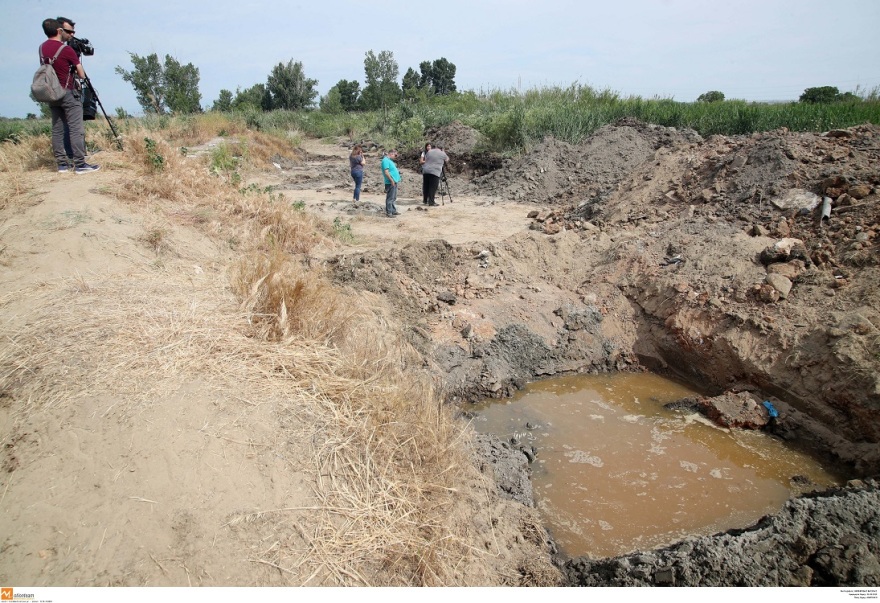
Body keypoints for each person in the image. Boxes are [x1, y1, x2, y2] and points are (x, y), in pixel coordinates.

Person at [39, 18, 98, 174]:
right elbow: (81, 73)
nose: (70, 34)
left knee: (57, 129)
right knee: (75, 128)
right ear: (59, 31)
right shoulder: (66, 50)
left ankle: (62, 164)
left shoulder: (42, 48)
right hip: (68, 92)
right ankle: (80, 164)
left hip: (52, 93)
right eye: (68, 31)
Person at [381, 149, 401, 218]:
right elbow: (386, 172)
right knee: (390, 198)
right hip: (390, 182)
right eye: (395, 155)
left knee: (393, 197)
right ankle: (389, 212)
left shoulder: (389, 161)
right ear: (391, 154)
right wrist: (391, 180)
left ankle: (393, 210)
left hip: (394, 181)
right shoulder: (385, 160)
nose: (396, 156)